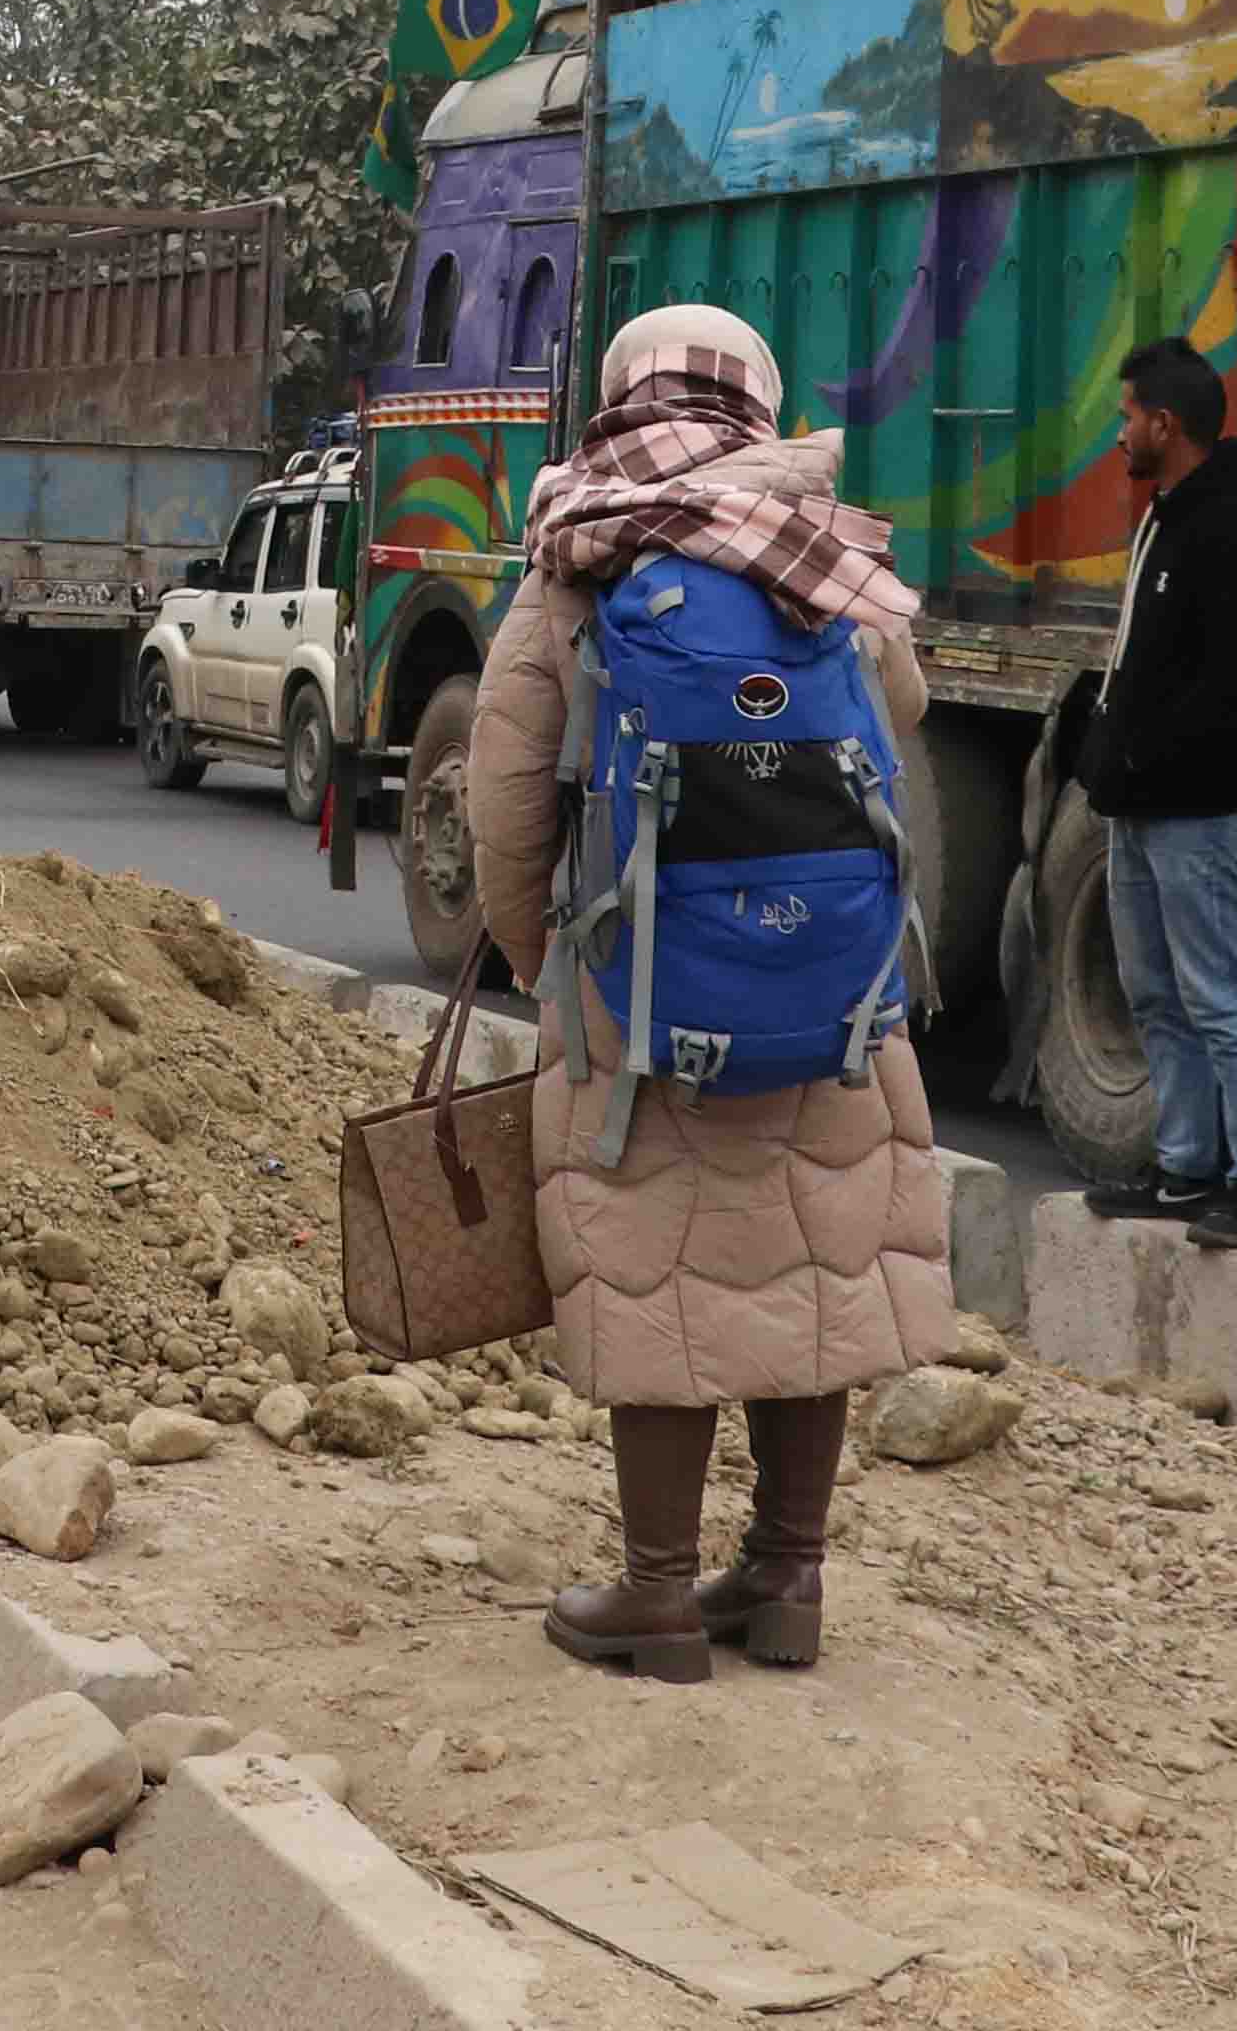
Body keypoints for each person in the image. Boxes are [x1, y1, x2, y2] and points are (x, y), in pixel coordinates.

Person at [472, 302, 947, 1681]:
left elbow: (506, 788)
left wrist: (530, 951)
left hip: (643, 989)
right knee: (818, 1266)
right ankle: (786, 1576)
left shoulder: (577, 550)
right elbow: (899, 707)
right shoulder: (813, 542)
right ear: (757, 392)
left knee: (656, 1272)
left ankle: (658, 1593)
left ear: (619, 391)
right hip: (834, 996)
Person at [1080, 335, 1237, 1246]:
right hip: (1135, 805)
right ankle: (1182, 1167)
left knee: (1219, 991)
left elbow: (1228, 693)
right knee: (1154, 992)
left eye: (1126, 415)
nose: (1116, 431)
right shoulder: (1161, 516)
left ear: (1165, 424)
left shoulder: (1233, 530)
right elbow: (1135, 662)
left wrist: (1140, 761)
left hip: (1194, 808)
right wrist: (1099, 755)